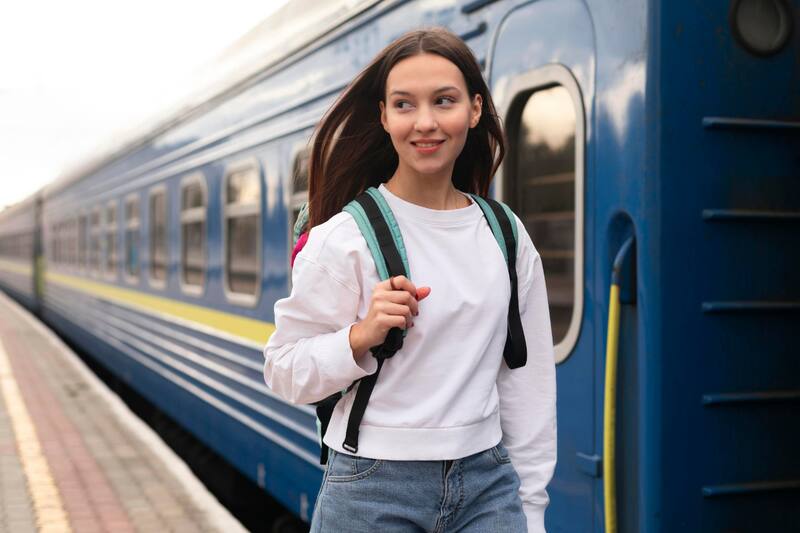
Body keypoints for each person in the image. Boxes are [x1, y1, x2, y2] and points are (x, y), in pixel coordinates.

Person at [263, 27, 556, 533]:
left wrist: (530, 510)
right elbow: (282, 368)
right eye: (404, 104)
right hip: (371, 488)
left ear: (475, 109)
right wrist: (360, 337)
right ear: (384, 116)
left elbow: (526, 385)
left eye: (444, 101)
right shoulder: (345, 237)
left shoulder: (505, 234)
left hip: (488, 487)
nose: (425, 122)